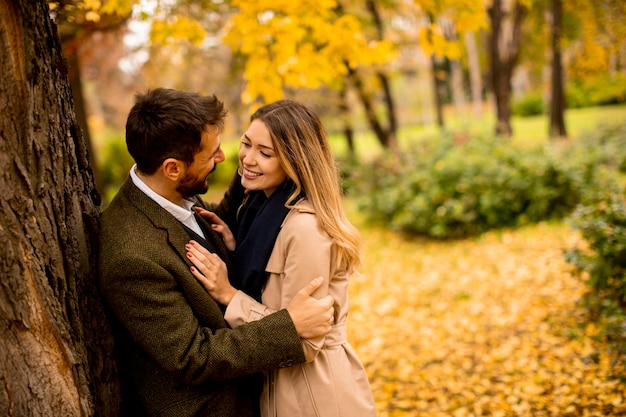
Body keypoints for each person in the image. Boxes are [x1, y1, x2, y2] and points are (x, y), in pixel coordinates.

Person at [97, 88, 335, 417]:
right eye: (211, 155)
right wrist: (289, 326)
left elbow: (225, 211)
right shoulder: (131, 255)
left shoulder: (174, 198)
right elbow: (194, 356)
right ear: (173, 169)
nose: (224, 158)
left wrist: (261, 158)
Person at [186, 99, 377, 416]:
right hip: (279, 389)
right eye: (246, 143)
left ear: (294, 162)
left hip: (314, 397)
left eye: (265, 153)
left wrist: (229, 295)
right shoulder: (259, 209)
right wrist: (237, 249)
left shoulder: (305, 229)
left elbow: (305, 342)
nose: (248, 158)